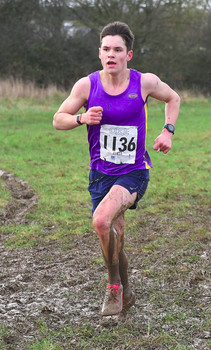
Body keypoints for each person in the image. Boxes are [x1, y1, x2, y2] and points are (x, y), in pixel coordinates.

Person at [53, 21, 180, 318]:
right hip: (100, 174)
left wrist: (167, 132)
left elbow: (173, 98)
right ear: (99, 53)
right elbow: (58, 119)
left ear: (129, 55)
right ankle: (128, 290)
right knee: (113, 235)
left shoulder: (144, 82)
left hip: (134, 172)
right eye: (106, 49)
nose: (111, 54)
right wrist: (82, 119)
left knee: (100, 221)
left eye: (118, 50)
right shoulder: (87, 85)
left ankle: (113, 287)